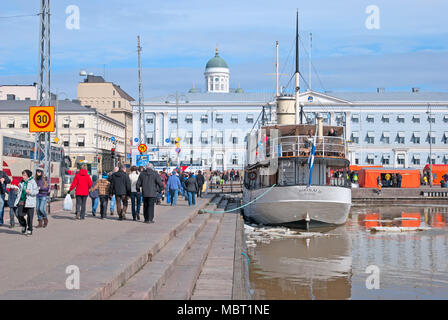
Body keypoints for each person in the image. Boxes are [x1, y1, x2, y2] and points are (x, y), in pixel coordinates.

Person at [15, 170, 38, 235]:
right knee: (19, 214)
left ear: (28, 175)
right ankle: (23, 225)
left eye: (24, 175)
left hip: (30, 202)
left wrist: (29, 192)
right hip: (22, 201)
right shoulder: (21, 182)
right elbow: (19, 191)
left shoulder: (33, 182)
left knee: (30, 217)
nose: (23, 176)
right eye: (23, 175)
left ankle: (29, 229)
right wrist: (16, 190)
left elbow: (36, 191)